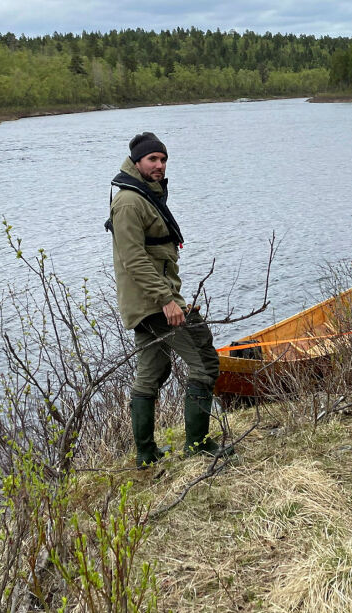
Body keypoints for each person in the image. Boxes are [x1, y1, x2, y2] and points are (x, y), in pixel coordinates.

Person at [108, 131, 228, 468]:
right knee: (205, 364)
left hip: (148, 302)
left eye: (163, 160)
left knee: (151, 373)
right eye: (152, 160)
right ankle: (198, 446)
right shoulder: (130, 202)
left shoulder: (146, 195)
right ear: (137, 163)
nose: (159, 165)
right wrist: (167, 300)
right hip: (155, 303)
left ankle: (146, 454)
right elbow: (133, 259)